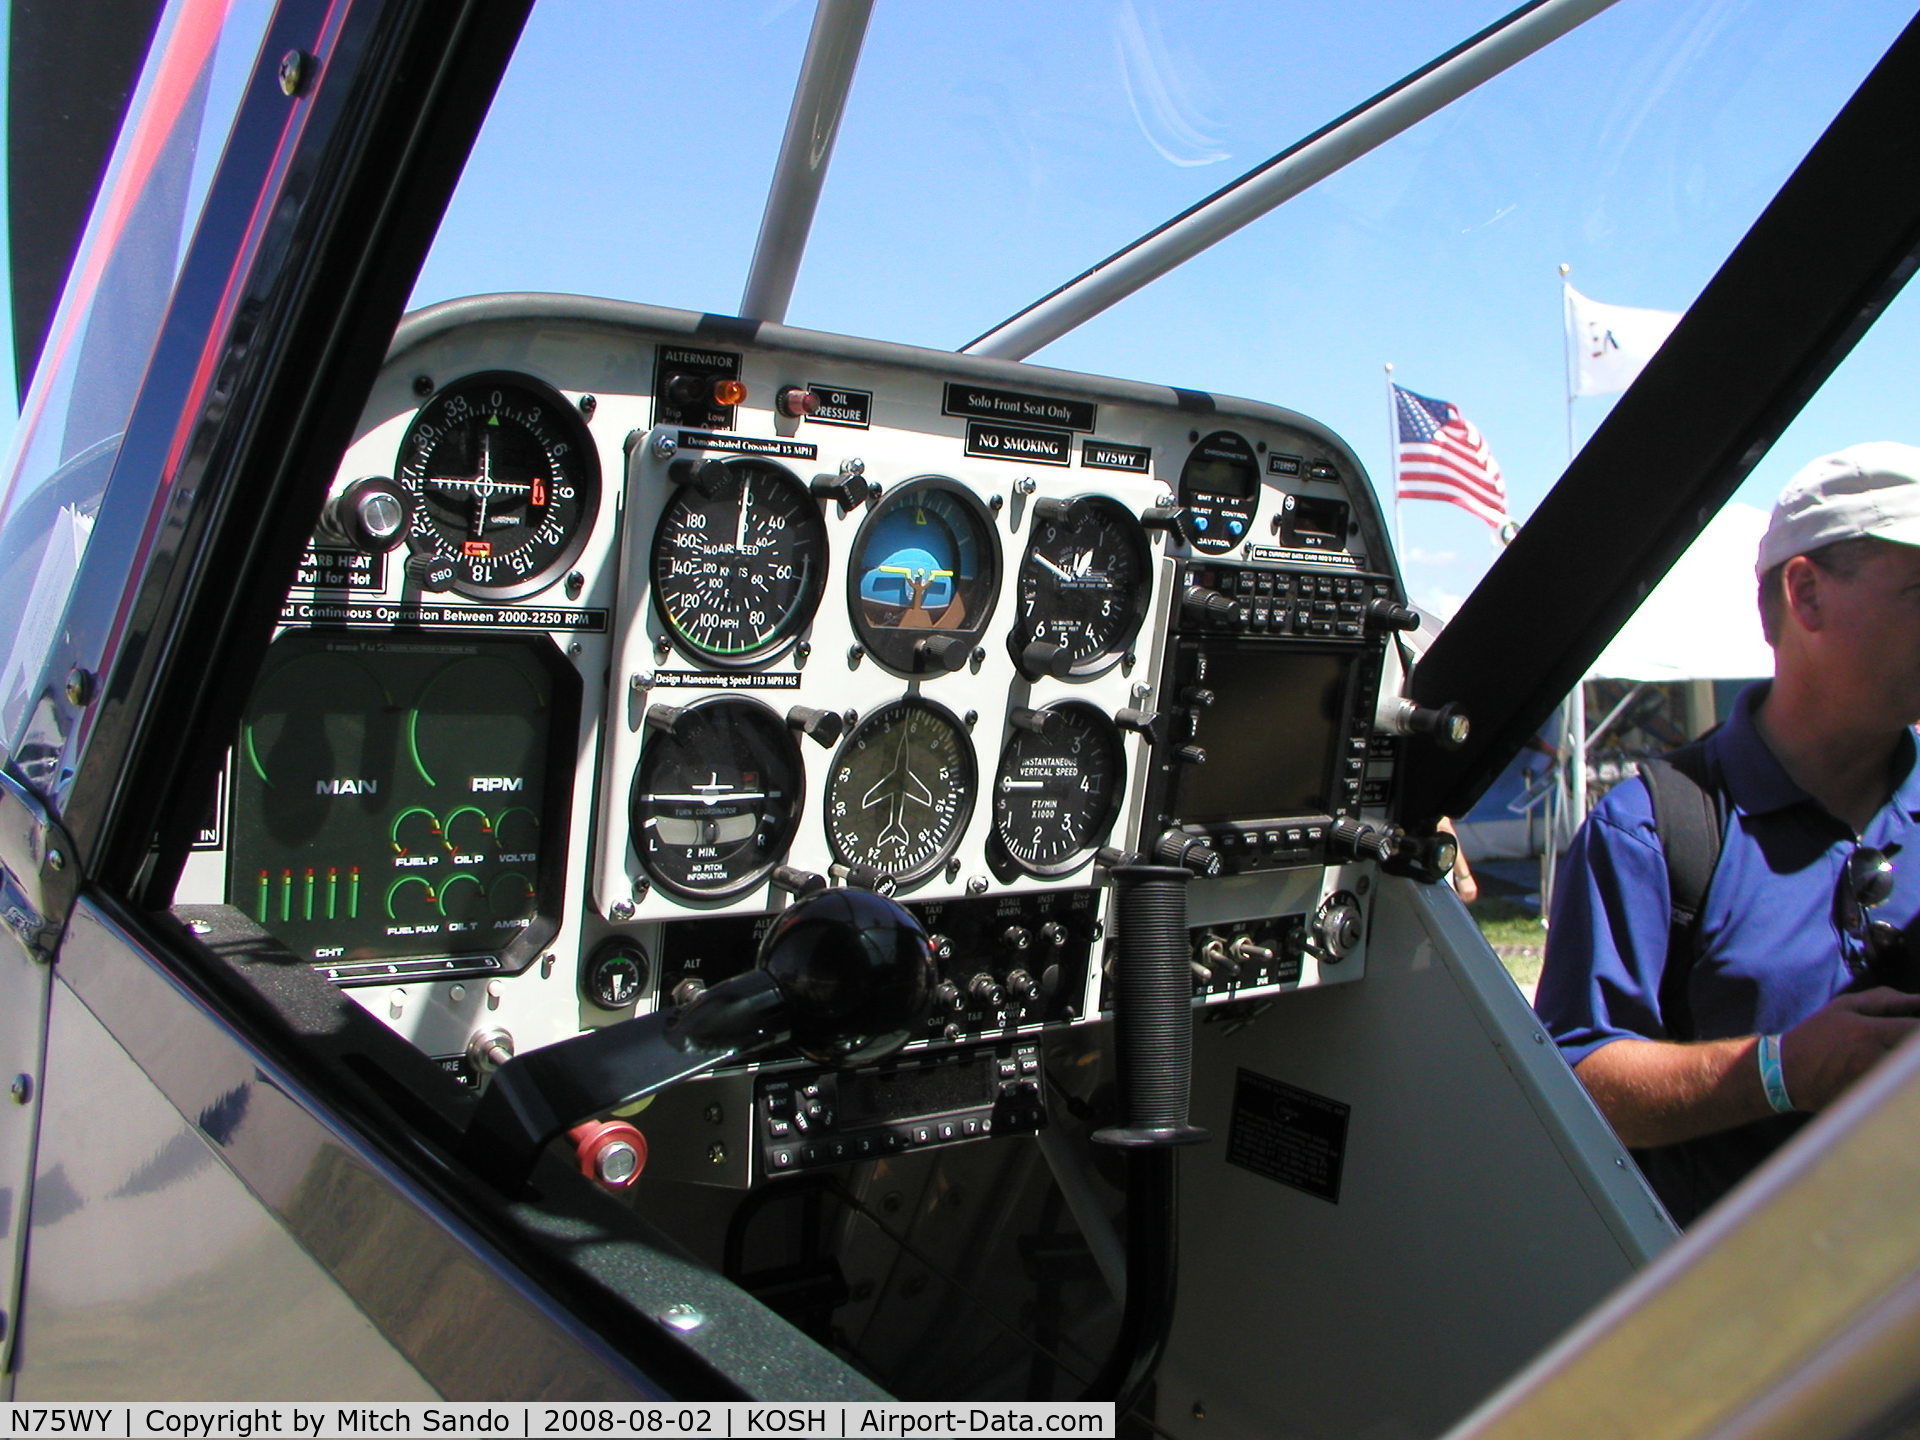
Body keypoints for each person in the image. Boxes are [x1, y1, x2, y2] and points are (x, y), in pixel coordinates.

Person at [1534, 442, 1920, 1225]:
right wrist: (1778, 1073)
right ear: (1805, 595)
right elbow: (1570, 1086)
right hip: (1740, 1323)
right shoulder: (1652, 829)